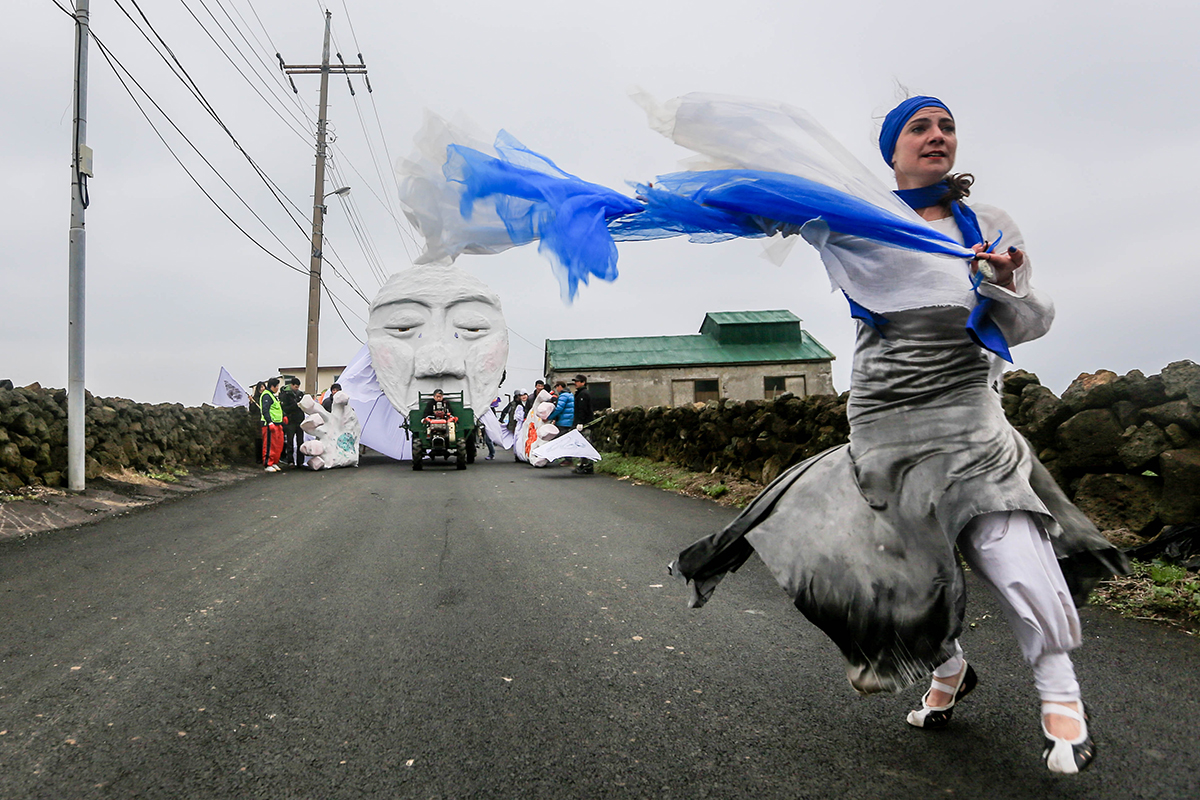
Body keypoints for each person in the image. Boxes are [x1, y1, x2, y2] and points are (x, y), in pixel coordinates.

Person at [669, 96, 1125, 775]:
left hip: (970, 421)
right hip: (886, 428)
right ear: (892, 151)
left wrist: (1002, 282)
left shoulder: (991, 225)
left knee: (1011, 547)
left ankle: (1062, 702)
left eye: (947, 126)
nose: (937, 136)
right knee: (888, 583)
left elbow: (1034, 320)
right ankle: (949, 670)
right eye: (920, 127)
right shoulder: (851, 223)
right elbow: (761, 207)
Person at [258, 378, 285, 473]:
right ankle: (267, 463)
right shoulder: (266, 395)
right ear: (272, 386)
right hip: (270, 424)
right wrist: (269, 422)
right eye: (277, 386)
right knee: (269, 444)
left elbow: (277, 408)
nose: (278, 388)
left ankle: (274, 461)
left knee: (278, 444)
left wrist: (283, 416)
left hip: (277, 423)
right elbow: (265, 410)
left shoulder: (273, 396)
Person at [571, 374, 595, 474]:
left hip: (585, 424)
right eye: (575, 382)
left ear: (583, 382)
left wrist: (580, 422)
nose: (575, 383)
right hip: (581, 423)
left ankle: (588, 465)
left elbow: (583, 410)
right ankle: (583, 464)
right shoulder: (580, 393)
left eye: (577, 381)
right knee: (581, 445)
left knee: (586, 444)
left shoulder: (583, 394)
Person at [279, 377, 304, 467]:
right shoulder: (285, 395)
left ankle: (300, 461)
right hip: (290, 420)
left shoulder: (301, 394)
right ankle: (290, 461)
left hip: (300, 420)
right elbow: (284, 408)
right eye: (296, 387)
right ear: (292, 385)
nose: (297, 388)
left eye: (298, 387)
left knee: (300, 441)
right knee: (290, 441)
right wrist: (295, 405)